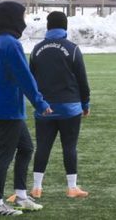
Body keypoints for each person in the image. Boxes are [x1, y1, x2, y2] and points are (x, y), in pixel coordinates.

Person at [0, 1, 52, 216]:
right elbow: (24, 77)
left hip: (0, 106)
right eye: (22, 17)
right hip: (8, 109)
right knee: (5, 155)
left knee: (25, 148)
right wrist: (40, 102)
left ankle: (21, 196)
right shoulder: (11, 44)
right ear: (12, 18)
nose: (24, 21)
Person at [26, 11, 91, 200]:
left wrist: (37, 103)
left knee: (43, 147)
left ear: (48, 27)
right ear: (65, 28)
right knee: (69, 147)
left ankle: (37, 187)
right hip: (70, 108)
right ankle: (72, 187)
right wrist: (85, 103)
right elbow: (82, 80)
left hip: (44, 108)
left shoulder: (37, 50)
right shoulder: (73, 49)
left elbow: (31, 80)